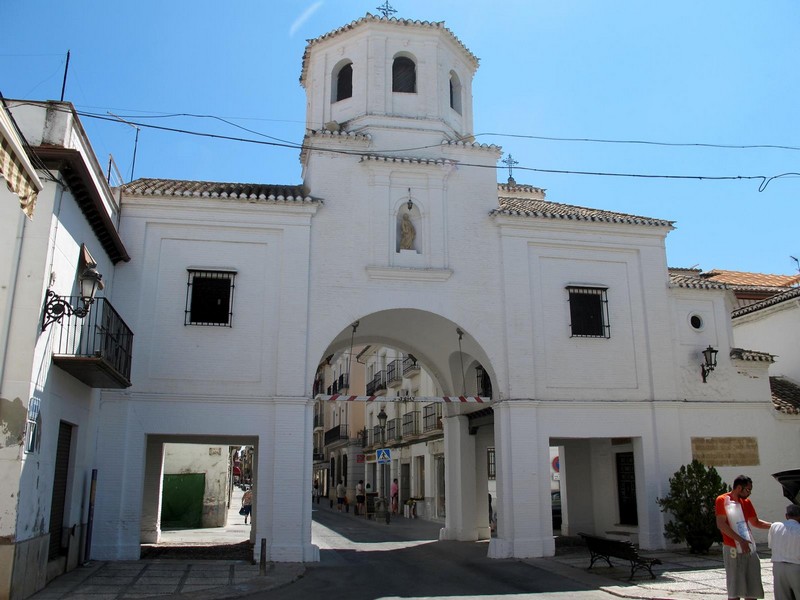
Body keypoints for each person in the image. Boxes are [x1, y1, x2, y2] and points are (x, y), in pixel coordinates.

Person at [715, 475, 772, 600]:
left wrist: (775, 526)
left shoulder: (746, 502)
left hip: (748, 547)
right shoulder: (722, 500)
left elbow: (756, 522)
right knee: (735, 586)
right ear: (738, 487)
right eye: (747, 490)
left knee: (752, 584)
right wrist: (740, 540)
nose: (749, 493)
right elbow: (721, 524)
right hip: (732, 549)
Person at [768, 504, 800, 600]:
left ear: (786, 516)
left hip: (778, 567)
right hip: (796, 566)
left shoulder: (775, 526)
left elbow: (771, 545)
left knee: (781, 596)